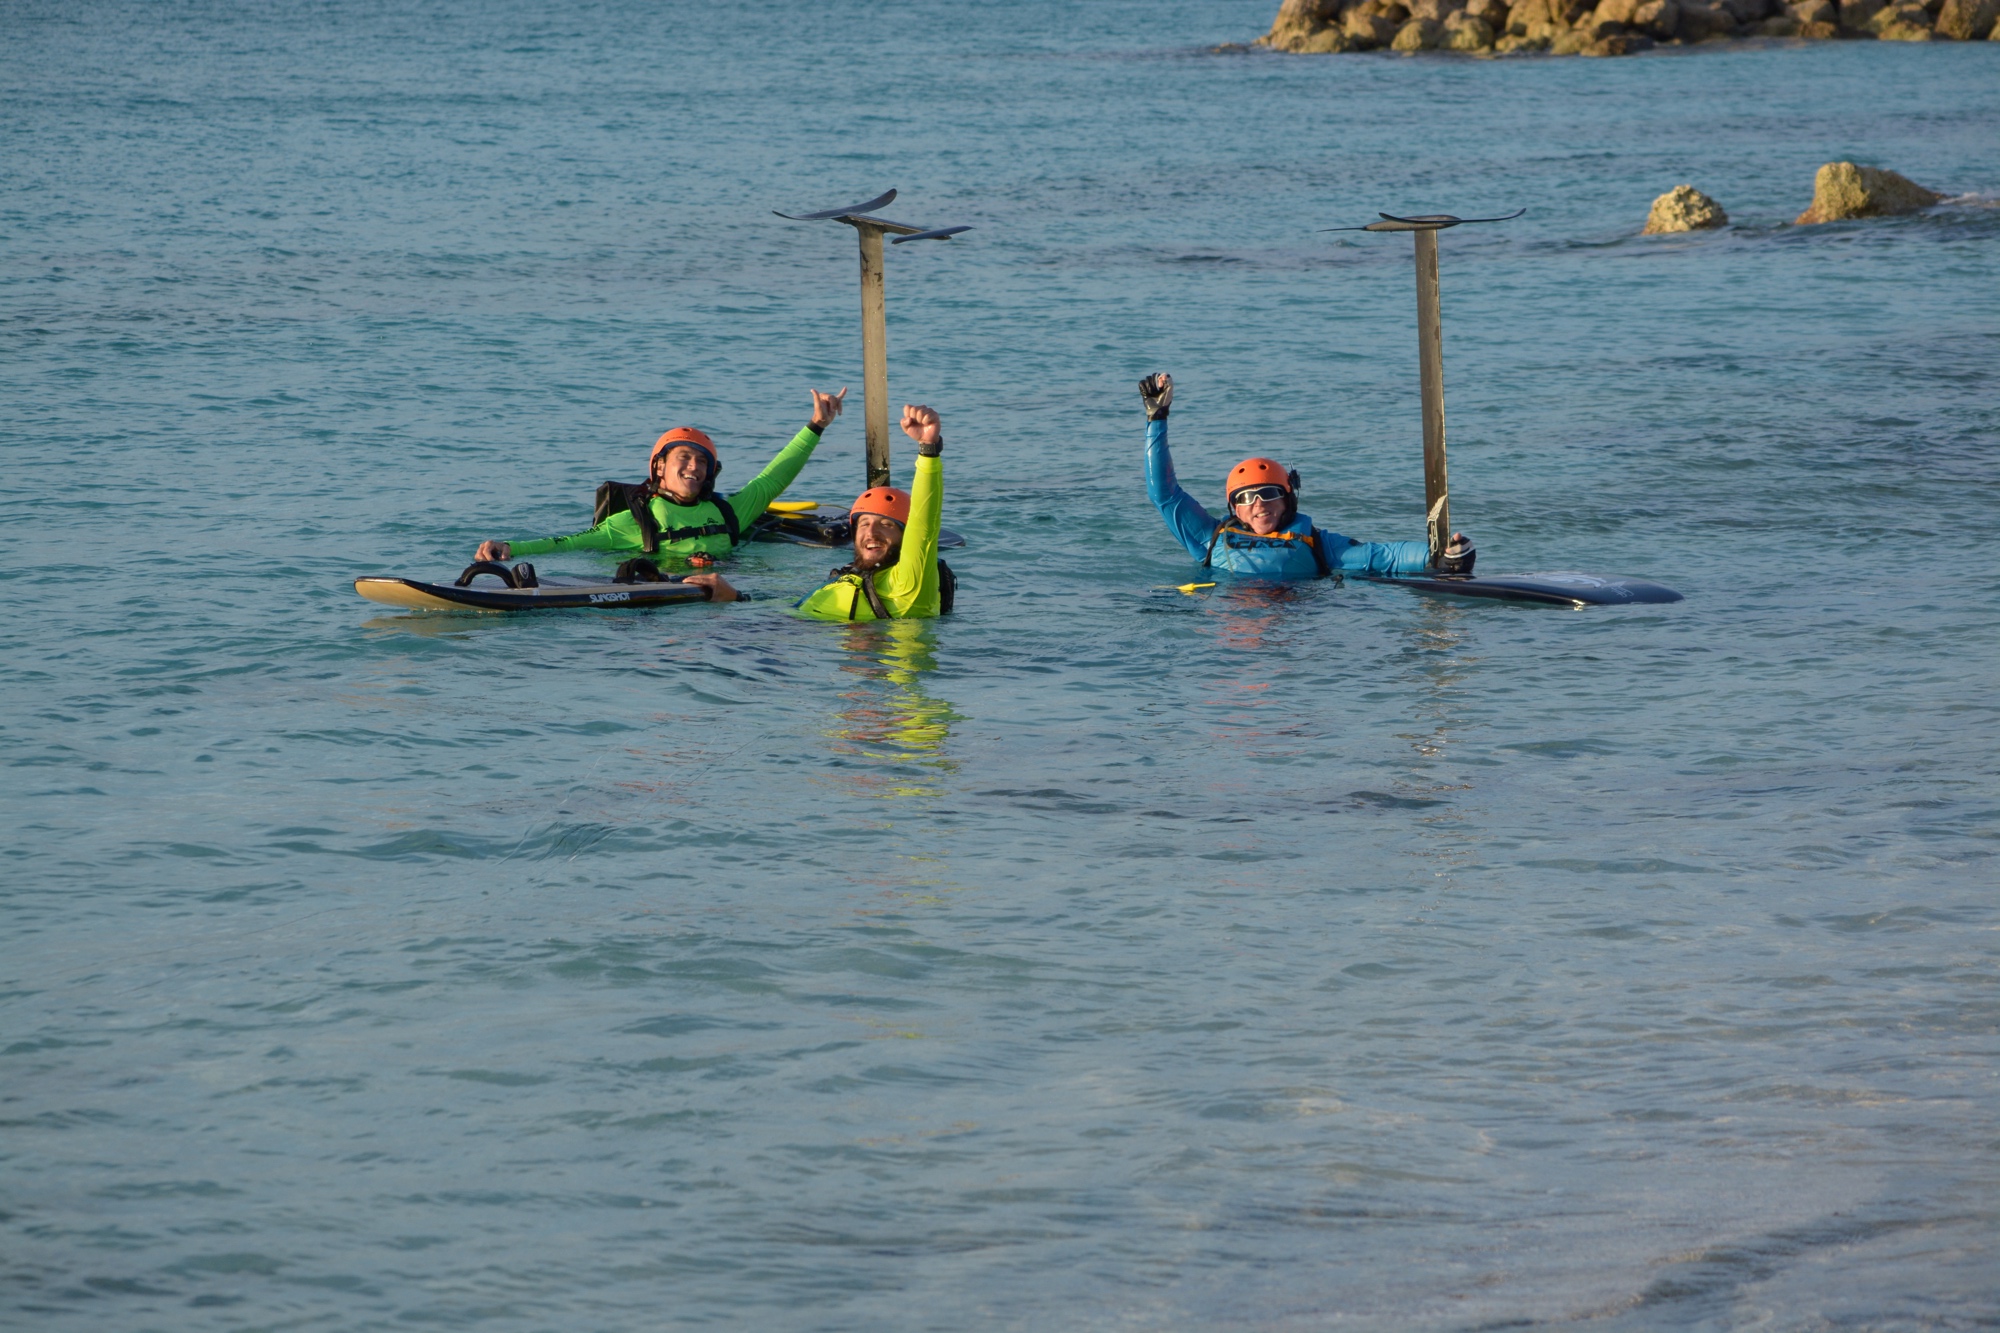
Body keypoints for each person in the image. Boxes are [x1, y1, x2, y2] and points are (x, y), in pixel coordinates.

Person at [472, 388, 847, 595]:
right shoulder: (634, 523)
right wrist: (513, 549)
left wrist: (816, 425)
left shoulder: (730, 513)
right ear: (659, 468)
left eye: (702, 462)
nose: (694, 467)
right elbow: (568, 544)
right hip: (663, 596)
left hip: (733, 591)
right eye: (684, 458)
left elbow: (774, 477)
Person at [1139, 372, 1473, 580]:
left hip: (1297, 630)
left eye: (1268, 493)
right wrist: (1158, 418)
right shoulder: (1208, 539)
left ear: (1287, 498)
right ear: (1234, 509)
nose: (1258, 504)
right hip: (1230, 633)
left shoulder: (1317, 544)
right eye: (1245, 498)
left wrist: (1437, 556)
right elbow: (1164, 494)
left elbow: (1380, 556)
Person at [794, 404, 951, 621]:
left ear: (907, 536)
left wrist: (928, 449)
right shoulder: (846, 576)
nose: (871, 532)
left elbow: (924, 521)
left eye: (886, 525)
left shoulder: (908, 584)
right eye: (864, 523)